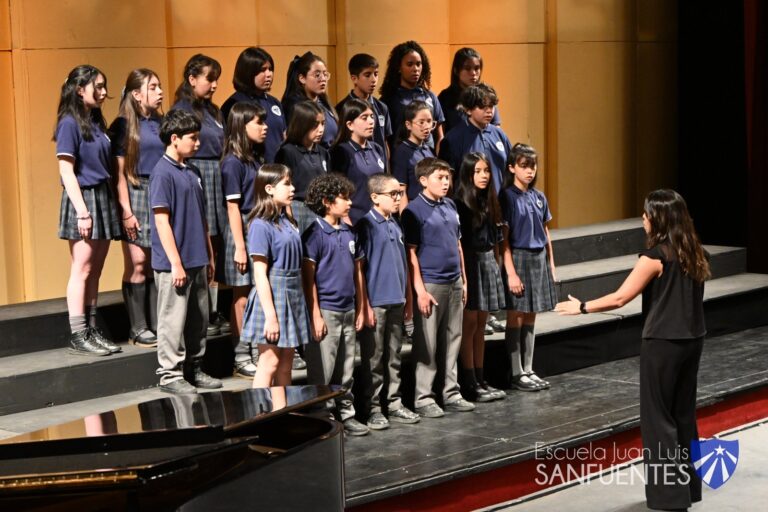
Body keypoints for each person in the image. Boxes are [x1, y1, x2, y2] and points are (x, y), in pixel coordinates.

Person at [555, 189, 710, 511]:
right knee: (683, 415)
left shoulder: (654, 257)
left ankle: (670, 497)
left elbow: (619, 298)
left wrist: (582, 308)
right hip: (693, 340)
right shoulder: (695, 252)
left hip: (663, 343)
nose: (643, 218)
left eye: (646, 213)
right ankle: (690, 488)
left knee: (659, 419)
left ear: (659, 218)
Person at [150, 109, 221, 394]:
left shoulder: (192, 171)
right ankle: (170, 374)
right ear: (174, 138)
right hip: (174, 264)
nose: (198, 143)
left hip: (197, 259)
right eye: (192, 138)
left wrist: (209, 254)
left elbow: (202, 217)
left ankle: (194, 367)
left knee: (197, 319)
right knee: (172, 318)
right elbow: (161, 221)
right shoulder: (162, 173)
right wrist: (175, 264)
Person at [55, 64, 121, 356]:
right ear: (80, 90)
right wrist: (82, 211)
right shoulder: (69, 122)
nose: (105, 93)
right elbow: (67, 171)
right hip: (84, 198)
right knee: (81, 268)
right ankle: (78, 332)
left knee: (95, 269)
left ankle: (91, 329)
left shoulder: (95, 120)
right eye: (99, 86)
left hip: (102, 197)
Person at [401, 158, 474, 417]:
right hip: (431, 284)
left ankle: (451, 392)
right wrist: (420, 291)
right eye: (439, 178)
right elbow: (411, 255)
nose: (446, 182)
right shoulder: (413, 211)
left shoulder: (451, 205)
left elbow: (457, 244)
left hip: (454, 281)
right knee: (427, 344)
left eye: (447, 178)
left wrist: (463, 280)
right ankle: (423, 398)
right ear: (423, 180)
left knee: (453, 339)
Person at [301, 173, 369, 436]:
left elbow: (357, 273)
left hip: (348, 309)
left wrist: (361, 307)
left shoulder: (350, 232)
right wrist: (315, 314)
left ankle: (346, 412)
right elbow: (310, 280)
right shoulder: (314, 234)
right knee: (323, 369)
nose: (350, 203)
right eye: (344, 198)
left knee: (346, 366)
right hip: (327, 310)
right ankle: (323, 415)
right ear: (328, 202)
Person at [171, 53, 229, 337]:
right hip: (198, 172)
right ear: (192, 79)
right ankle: (199, 314)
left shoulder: (214, 112)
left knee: (216, 242)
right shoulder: (182, 110)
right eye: (210, 78)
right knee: (201, 238)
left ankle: (214, 311)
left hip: (217, 173)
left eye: (216, 79)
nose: (214, 84)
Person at [357, 173, 420, 429]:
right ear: (375, 197)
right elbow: (359, 270)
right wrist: (365, 305)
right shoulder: (366, 225)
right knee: (374, 359)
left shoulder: (395, 224)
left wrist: (407, 300)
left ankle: (393, 403)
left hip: (397, 299)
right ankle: (372, 408)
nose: (398, 198)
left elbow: (404, 264)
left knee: (393, 356)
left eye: (400, 193)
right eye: (392, 194)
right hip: (377, 303)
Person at [241, 164, 311, 387]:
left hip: (292, 293)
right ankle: (258, 417)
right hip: (272, 296)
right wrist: (271, 316)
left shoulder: (287, 221)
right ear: (269, 188)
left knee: (285, 366)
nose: (292, 189)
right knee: (269, 362)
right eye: (287, 184)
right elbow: (260, 274)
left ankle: (282, 413)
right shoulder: (260, 225)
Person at [111, 68, 165, 349]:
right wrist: (126, 211)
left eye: (159, 86)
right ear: (136, 93)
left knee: (156, 261)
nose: (160, 92)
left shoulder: (161, 122)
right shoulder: (123, 125)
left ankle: (157, 323)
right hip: (135, 192)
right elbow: (118, 174)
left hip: (160, 193)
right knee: (137, 262)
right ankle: (138, 327)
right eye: (153, 87)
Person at [499, 143, 556, 392]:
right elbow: (505, 239)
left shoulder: (539, 196)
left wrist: (551, 264)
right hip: (519, 257)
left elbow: (546, 231)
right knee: (517, 313)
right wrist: (510, 272)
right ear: (512, 168)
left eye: (532, 166)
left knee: (532, 313)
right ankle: (515, 371)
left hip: (538, 257)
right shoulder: (507, 197)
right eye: (523, 166)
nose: (529, 171)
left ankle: (529, 368)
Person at [217, 102, 268, 379]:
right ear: (241, 125)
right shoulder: (232, 163)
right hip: (242, 230)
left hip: (258, 226)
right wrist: (239, 245)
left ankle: (259, 348)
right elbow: (233, 207)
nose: (265, 127)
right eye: (258, 123)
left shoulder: (255, 159)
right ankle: (241, 352)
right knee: (242, 293)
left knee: (259, 291)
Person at [454, 153, 506, 402]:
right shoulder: (461, 203)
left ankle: (481, 377)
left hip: (486, 261)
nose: (484, 175)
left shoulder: (489, 200)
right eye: (478, 171)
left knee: (481, 325)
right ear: (467, 174)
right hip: (471, 262)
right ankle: (469, 381)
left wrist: (496, 264)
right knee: (470, 324)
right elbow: (461, 242)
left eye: (486, 170)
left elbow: (496, 237)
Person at [438, 83, 511, 193]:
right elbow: (446, 179)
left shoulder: (500, 135)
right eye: (482, 106)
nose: (489, 111)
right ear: (468, 110)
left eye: (491, 106)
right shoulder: (453, 138)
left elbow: (510, 170)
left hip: (498, 205)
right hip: (467, 206)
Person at [220, 47, 286, 163]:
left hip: (278, 168)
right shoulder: (233, 104)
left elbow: (283, 135)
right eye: (262, 70)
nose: (268, 74)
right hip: (251, 168)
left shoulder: (274, 103)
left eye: (270, 69)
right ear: (248, 72)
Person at [275, 100, 330, 235]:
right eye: (315, 125)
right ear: (302, 125)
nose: (321, 129)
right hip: (298, 209)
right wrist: (289, 216)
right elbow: (282, 186)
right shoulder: (287, 152)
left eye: (323, 124)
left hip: (321, 209)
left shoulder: (323, 152)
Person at [330, 99, 387, 224]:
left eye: (372, 116)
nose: (371, 121)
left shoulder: (376, 148)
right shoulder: (341, 151)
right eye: (364, 117)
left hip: (379, 219)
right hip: (355, 219)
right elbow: (337, 191)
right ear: (350, 124)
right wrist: (346, 220)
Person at [379, 41, 445, 151]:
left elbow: (439, 136)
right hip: (402, 160)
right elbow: (385, 139)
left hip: (429, 160)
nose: (415, 69)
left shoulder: (430, 96)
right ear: (399, 67)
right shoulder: (389, 99)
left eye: (418, 64)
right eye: (410, 64)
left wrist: (438, 159)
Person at [335, 53, 392, 160]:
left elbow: (385, 142)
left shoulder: (382, 107)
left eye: (376, 74)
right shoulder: (342, 108)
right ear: (354, 78)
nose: (373, 79)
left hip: (379, 169)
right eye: (367, 75)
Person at [281, 52, 338, 148]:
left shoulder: (324, 103)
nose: (323, 79)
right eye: (317, 75)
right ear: (302, 78)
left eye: (325, 74)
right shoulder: (296, 107)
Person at [438, 48, 501, 133]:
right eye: (467, 68)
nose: (473, 73)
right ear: (456, 70)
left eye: (477, 68)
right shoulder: (445, 97)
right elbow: (440, 134)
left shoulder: (487, 95)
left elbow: (496, 129)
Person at [390, 100, 436, 209]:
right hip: (415, 209)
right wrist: (405, 218)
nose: (426, 127)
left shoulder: (428, 149)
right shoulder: (402, 151)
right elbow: (401, 190)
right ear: (408, 125)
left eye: (429, 121)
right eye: (421, 122)